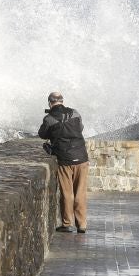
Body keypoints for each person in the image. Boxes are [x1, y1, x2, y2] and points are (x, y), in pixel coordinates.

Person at [38, 91, 89, 234]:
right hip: (81, 157)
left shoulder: (49, 118)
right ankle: (82, 224)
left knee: (67, 193)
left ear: (50, 102)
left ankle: (67, 224)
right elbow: (80, 128)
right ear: (62, 101)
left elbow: (42, 134)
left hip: (64, 160)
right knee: (80, 192)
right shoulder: (75, 113)